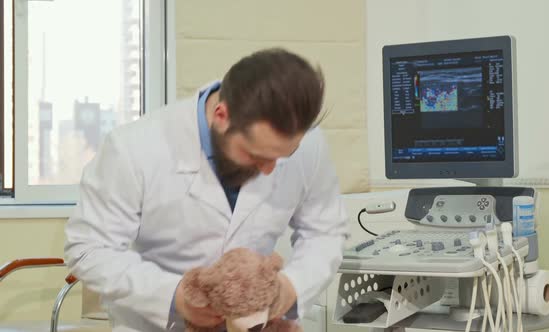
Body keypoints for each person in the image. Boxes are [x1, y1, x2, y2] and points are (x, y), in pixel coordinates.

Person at [64, 48, 349, 331]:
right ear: (221, 115)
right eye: (256, 155)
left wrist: (291, 287)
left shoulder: (309, 145)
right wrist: (175, 297)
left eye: (283, 156)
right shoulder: (133, 149)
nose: (269, 170)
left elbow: (325, 232)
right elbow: (89, 248)